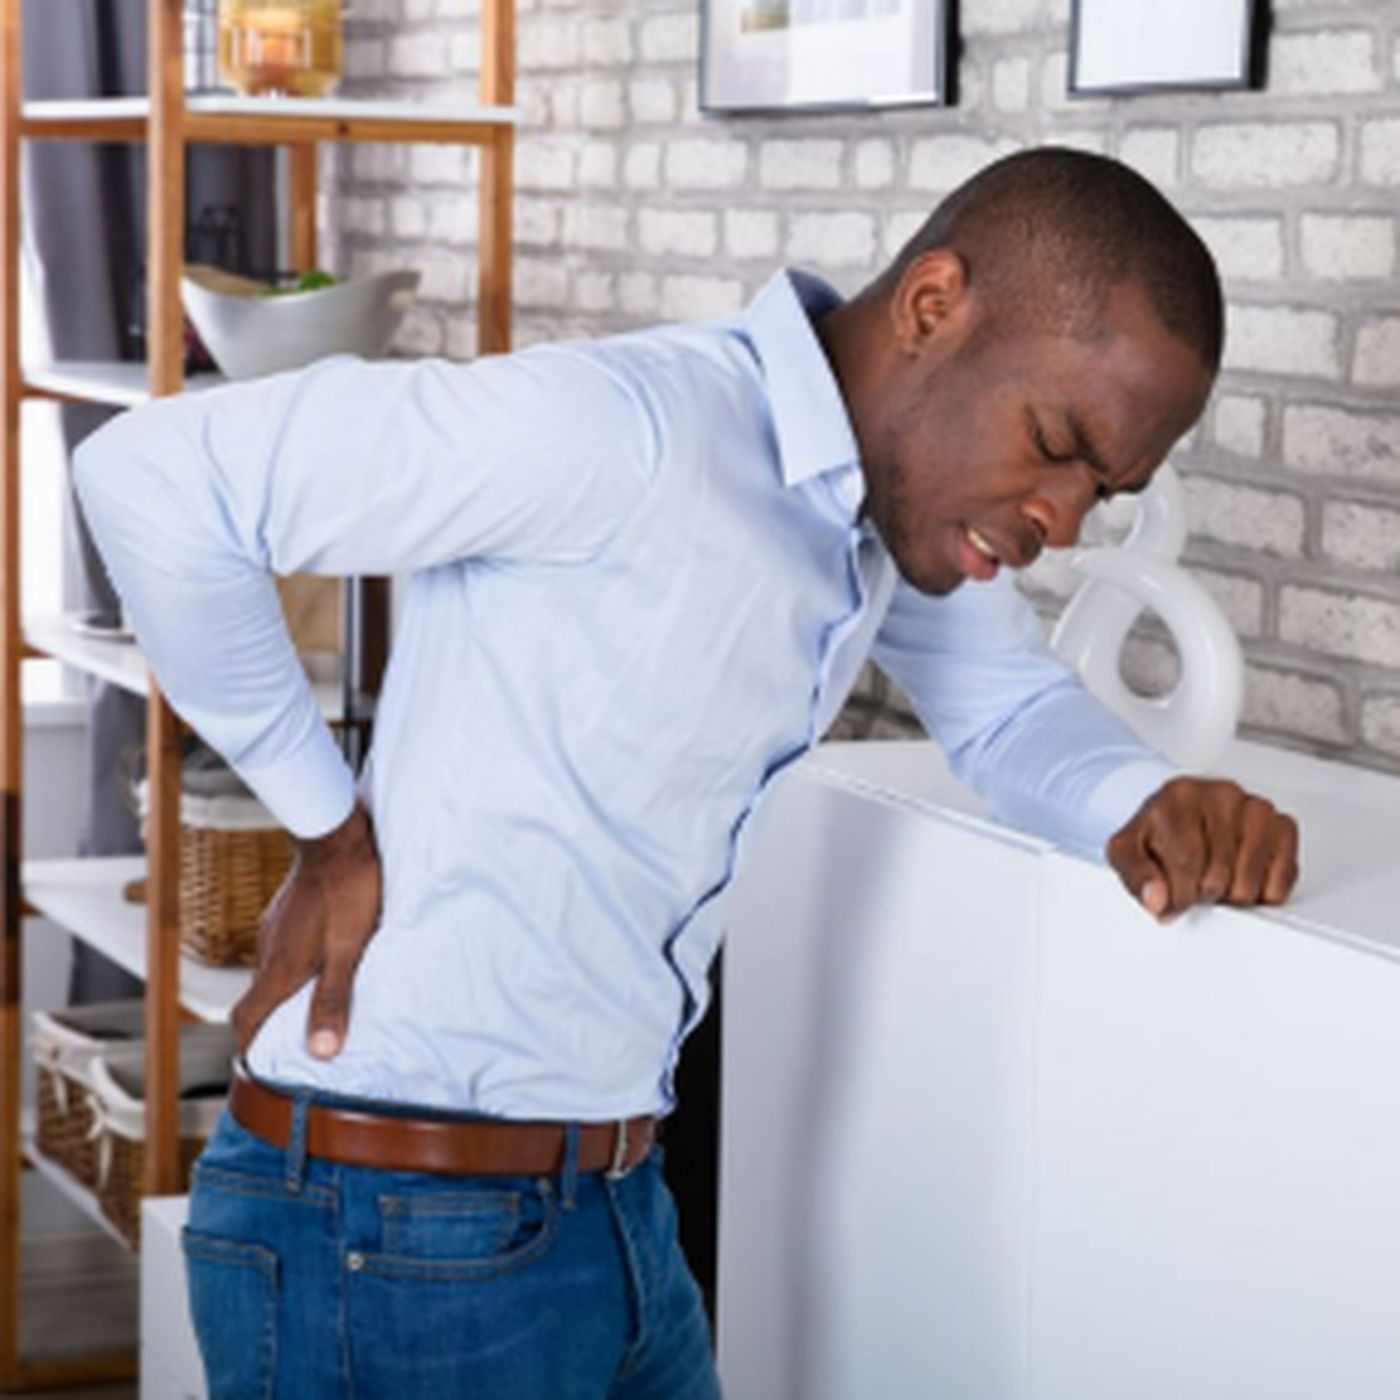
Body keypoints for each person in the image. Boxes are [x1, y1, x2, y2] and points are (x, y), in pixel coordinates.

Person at [74, 147, 1298, 1399]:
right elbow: (152, 479)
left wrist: (1149, 802)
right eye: (1052, 443)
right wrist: (327, 832)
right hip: (389, 1230)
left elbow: (1007, 706)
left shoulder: (878, 519)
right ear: (932, 306)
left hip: (609, 1209)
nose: (1062, 521)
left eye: (1102, 490)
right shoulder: (624, 427)